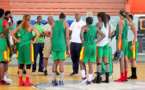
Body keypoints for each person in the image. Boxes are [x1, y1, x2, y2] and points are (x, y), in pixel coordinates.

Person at [11, 14, 40, 86]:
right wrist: (33, 41)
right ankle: (27, 81)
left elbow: (12, 34)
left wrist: (17, 41)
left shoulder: (20, 26)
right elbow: (38, 34)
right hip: (28, 45)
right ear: (29, 19)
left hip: (21, 45)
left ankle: (20, 81)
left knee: (21, 63)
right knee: (28, 63)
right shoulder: (31, 26)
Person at [79, 17, 105, 85]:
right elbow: (103, 35)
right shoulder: (95, 28)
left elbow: (80, 34)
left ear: (86, 21)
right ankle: (89, 80)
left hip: (87, 45)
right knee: (90, 64)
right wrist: (96, 42)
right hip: (93, 45)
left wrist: (82, 40)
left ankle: (84, 77)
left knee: (81, 61)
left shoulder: (84, 27)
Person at [51, 13, 70, 86]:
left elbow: (51, 37)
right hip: (62, 46)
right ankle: (61, 80)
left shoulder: (53, 24)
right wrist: (68, 48)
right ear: (64, 18)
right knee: (61, 63)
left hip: (54, 45)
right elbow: (67, 37)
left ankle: (53, 80)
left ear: (59, 18)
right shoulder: (65, 24)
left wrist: (52, 47)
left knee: (55, 63)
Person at [93, 12, 111, 83]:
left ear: (99, 17)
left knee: (99, 61)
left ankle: (98, 78)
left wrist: (96, 41)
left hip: (100, 44)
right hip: (106, 43)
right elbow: (109, 35)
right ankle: (107, 79)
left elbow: (96, 35)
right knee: (106, 61)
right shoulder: (108, 24)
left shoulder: (98, 24)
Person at [114, 10, 130, 82]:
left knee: (121, 59)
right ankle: (125, 76)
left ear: (120, 14)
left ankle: (121, 77)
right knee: (126, 59)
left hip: (122, 41)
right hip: (126, 40)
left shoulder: (121, 21)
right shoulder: (126, 21)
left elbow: (120, 34)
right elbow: (131, 23)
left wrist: (117, 44)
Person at [0, 8, 10, 85]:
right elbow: (7, 27)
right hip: (2, 42)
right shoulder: (4, 20)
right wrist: (3, 33)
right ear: (3, 14)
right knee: (2, 62)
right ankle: (2, 80)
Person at [127, 14, 138, 79]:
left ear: (130, 19)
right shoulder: (129, 26)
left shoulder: (133, 25)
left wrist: (133, 44)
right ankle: (133, 75)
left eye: (128, 18)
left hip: (132, 42)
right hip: (129, 42)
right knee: (131, 59)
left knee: (133, 60)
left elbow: (135, 36)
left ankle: (134, 75)